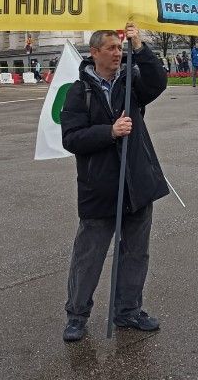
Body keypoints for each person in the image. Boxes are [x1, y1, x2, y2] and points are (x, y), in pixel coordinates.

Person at [59, 23, 169, 342]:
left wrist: (140, 47)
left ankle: (128, 311)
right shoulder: (78, 92)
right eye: (111, 48)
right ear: (94, 53)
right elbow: (71, 138)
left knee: (135, 253)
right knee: (88, 256)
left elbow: (157, 81)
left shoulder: (131, 81)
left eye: (120, 48)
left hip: (136, 183)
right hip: (100, 188)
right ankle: (77, 316)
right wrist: (109, 132)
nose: (117, 53)